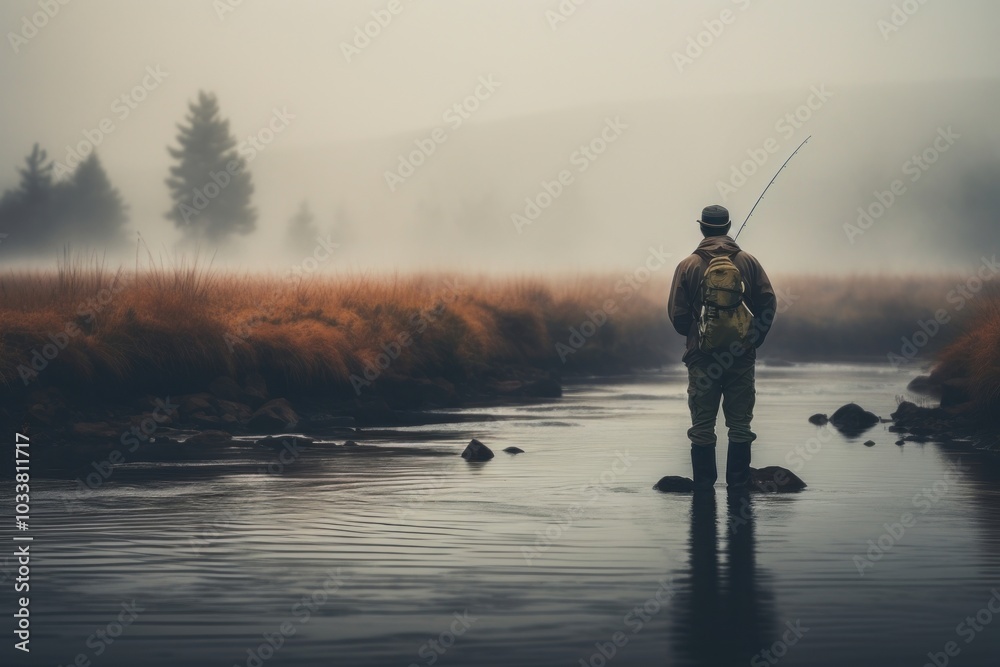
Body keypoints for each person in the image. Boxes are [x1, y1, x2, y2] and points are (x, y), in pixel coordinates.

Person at [667, 205, 777, 492]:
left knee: (702, 427)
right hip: (741, 357)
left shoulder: (687, 265)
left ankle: (704, 494)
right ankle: (737, 491)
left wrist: (697, 334)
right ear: (728, 228)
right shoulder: (749, 262)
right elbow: (768, 303)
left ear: (702, 228)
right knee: (740, 426)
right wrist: (753, 338)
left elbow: (677, 316)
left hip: (701, 358)